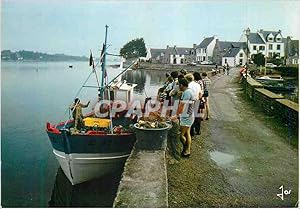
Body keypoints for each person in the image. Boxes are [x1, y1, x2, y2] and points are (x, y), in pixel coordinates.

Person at [170, 78, 195, 158]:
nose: (178, 86)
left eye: (178, 85)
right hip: (190, 115)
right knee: (187, 133)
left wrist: (176, 115)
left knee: (180, 135)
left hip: (187, 117)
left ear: (181, 85)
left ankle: (186, 149)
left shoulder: (187, 93)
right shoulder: (189, 90)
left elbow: (182, 105)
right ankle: (188, 151)